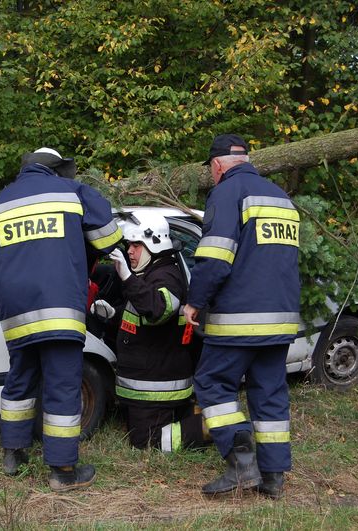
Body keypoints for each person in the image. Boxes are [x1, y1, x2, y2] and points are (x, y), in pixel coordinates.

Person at [0, 147, 121, 492]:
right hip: (60, 309)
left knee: (20, 379)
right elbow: (109, 239)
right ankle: (63, 470)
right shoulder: (74, 192)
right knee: (63, 386)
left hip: (16, 314)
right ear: (55, 170)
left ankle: (13, 454)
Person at [182, 134, 301, 499]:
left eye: (211, 171)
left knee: (213, 384)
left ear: (217, 166)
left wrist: (194, 303)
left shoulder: (226, 193)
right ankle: (274, 476)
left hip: (238, 318)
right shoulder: (280, 197)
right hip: (280, 319)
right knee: (270, 395)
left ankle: (241, 462)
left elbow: (215, 259)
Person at [90, 212, 207, 452]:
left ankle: (211, 428)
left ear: (155, 243)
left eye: (136, 245)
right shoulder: (150, 273)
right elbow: (139, 316)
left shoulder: (167, 275)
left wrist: (127, 277)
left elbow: (158, 309)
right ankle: (193, 414)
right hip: (148, 387)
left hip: (159, 389)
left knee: (149, 442)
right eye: (128, 245)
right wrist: (113, 315)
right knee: (139, 435)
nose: (129, 251)